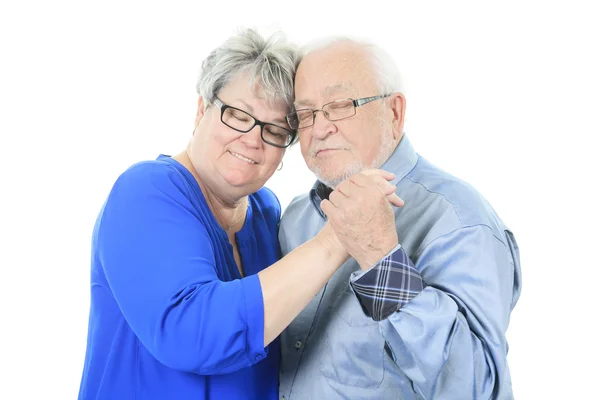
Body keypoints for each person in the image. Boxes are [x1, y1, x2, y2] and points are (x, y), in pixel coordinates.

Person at [77, 29, 400, 400]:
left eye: (276, 129)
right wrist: (337, 237)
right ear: (201, 111)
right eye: (237, 115)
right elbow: (192, 335)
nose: (253, 139)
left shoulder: (267, 213)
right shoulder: (146, 191)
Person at [279, 37, 522, 399]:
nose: (319, 128)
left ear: (394, 112)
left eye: (341, 105)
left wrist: (380, 258)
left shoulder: (460, 220)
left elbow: (477, 391)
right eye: (306, 113)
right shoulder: (295, 218)